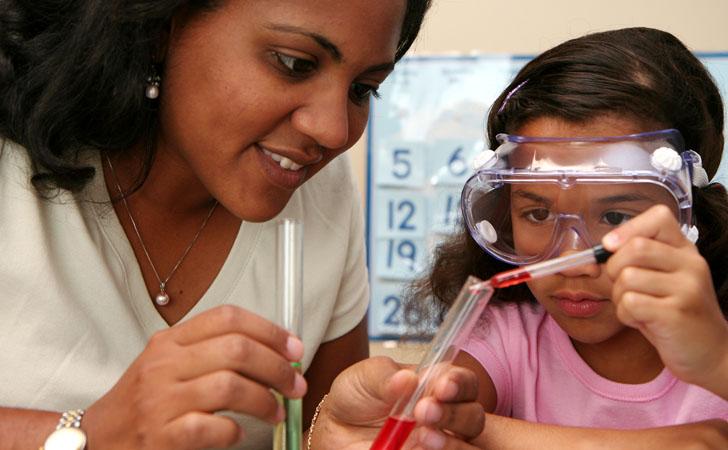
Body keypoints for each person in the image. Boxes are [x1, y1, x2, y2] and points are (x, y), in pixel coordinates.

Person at [0, 1, 485, 449]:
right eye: (295, 63)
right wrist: (89, 434)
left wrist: (341, 434)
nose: (334, 131)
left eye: (363, 89)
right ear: (161, 29)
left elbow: (316, 428)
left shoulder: (321, 194)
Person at [409, 27, 728, 448]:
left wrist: (717, 360)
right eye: (537, 213)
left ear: (687, 206)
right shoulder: (504, 337)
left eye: (615, 215)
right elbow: (431, 425)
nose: (574, 261)